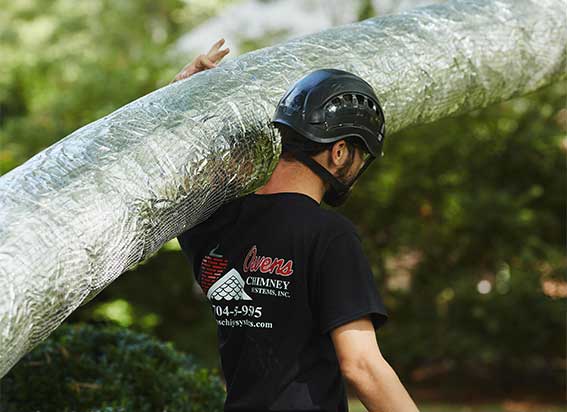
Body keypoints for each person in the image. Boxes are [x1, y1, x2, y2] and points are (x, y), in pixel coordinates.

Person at [173, 39, 420, 412]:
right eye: (359, 155)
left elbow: (176, 175)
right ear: (338, 152)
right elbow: (362, 366)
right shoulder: (329, 236)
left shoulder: (213, 223)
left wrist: (182, 92)